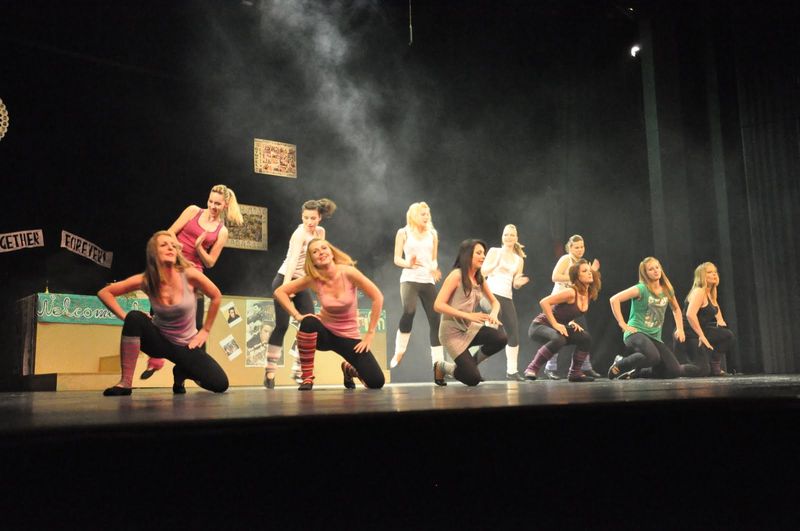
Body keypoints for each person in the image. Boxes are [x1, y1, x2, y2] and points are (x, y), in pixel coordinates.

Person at [98, 231, 229, 396]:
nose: (170, 248)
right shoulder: (147, 280)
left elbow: (216, 296)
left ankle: (180, 373)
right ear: (154, 252)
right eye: (164, 245)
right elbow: (105, 293)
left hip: (186, 345)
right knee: (134, 317)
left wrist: (205, 330)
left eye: (173, 245)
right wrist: (125, 317)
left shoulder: (189, 274)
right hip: (159, 340)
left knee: (220, 384)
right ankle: (125, 383)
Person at [140, 184, 243, 379]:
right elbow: (170, 232)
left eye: (217, 204)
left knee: (193, 327)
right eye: (210, 201)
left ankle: (182, 374)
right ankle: (156, 360)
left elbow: (210, 262)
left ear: (225, 205)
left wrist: (199, 247)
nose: (212, 206)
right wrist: (177, 248)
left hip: (194, 273)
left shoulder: (221, 231)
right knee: (159, 313)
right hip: (173, 266)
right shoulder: (193, 211)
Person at [273, 238, 385, 391]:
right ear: (312, 260)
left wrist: (370, 334)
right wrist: (297, 315)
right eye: (315, 251)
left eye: (324, 248)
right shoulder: (313, 279)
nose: (321, 252)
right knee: (308, 322)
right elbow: (280, 292)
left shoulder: (348, 272)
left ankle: (348, 369)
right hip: (324, 334)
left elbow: (377, 297)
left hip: (348, 337)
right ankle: (307, 378)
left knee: (376, 382)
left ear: (331, 252)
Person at [266, 199, 336, 389]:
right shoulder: (299, 235)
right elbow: (292, 262)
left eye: (313, 218)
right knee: (282, 325)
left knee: (309, 325)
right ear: (301, 217)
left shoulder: (320, 232)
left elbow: (318, 261)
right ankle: (270, 371)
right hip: (285, 280)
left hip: (302, 283)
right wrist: (286, 289)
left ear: (320, 217)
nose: (309, 222)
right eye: (305, 218)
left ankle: (300, 371)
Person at [432, 239, 507, 386]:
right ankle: (442, 366)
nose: (483, 256)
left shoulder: (479, 278)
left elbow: (495, 302)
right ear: (467, 255)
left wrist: (493, 314)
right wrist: (468, 315)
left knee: (500, 338)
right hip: (451, 332)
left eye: (484, 253)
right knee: (473, 379)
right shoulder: (456, 275)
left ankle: (469, 366)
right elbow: (438, 305)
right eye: (479, 253)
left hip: (469, 328)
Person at [608, 257, 697, 379]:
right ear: (645, 273)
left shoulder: (667, 289)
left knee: (674, 371)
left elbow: (676, 309)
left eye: (657, 267)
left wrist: (680, 328)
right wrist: (622, 323)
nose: (655, 271)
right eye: (651, 269)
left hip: (654, 336)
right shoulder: (641, 289)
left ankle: (637, 373)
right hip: (636, 332)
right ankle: (620, 363)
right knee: (653, 357)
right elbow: (614, 300)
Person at [523, 259, 600, 382]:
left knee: (585, 338)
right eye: (584, 271)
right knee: (559, 339)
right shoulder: (570, 292)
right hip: (539, 326)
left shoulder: (588, 294)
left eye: (589, 271)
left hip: (558, 328)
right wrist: (555, 324)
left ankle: (575, 373)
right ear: (577, 276)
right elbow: (544, 302)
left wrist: (571, 322)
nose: (589, 273)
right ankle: (532, 368)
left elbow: (567, 311)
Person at [389, 202, 443, 370]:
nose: (426, 217)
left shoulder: (433, 234)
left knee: (436, 320)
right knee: (409, 311)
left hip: (427, 281)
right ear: (413, 215)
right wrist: (408, 263)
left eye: (427, 214)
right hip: (409, 279)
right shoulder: (403, 232)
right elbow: (397, 258)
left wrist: (434, 269)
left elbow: (433, 259)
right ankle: (399, 351)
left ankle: (438, 365)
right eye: (422, 214)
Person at [542, 235, 601, 379]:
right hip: (560, 302)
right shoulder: (566, 259)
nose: (580, 249)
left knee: (584, 335)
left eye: (582, 246)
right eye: (576, 247)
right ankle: (550, 368)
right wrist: (575, 277)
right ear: (570, 248)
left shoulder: (583, 263)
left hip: (575, 303)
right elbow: (555, 276)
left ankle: (585, 367)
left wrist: (593, 272)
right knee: (557, 334)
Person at [481, 224, 530, 381]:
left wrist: (519, 283)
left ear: (516, 238)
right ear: (502, 237)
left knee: (513, 334)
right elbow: (482, 272)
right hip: (490, 295)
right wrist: (494, 265)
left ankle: (512, 371)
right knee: (492, 329)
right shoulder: (494, 251)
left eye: (512, 235)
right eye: (506, 235)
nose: (509, 237)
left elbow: (515, 283)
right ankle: (473, 363)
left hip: (507, 297)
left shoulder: (518, 259)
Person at [681, 262, 735, 376]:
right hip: (690, 333)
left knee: (727, 335)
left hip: (702, 330)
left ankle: (715, 366)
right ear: (702, 276)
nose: (714, 274)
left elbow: (715, 306)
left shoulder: (711, 292)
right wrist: (702, 336)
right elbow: (690, 314)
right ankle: (674, 369)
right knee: (702, 370)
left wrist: (720, 320)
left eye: (715, 272)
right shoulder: (699, 291)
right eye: (710, 272)